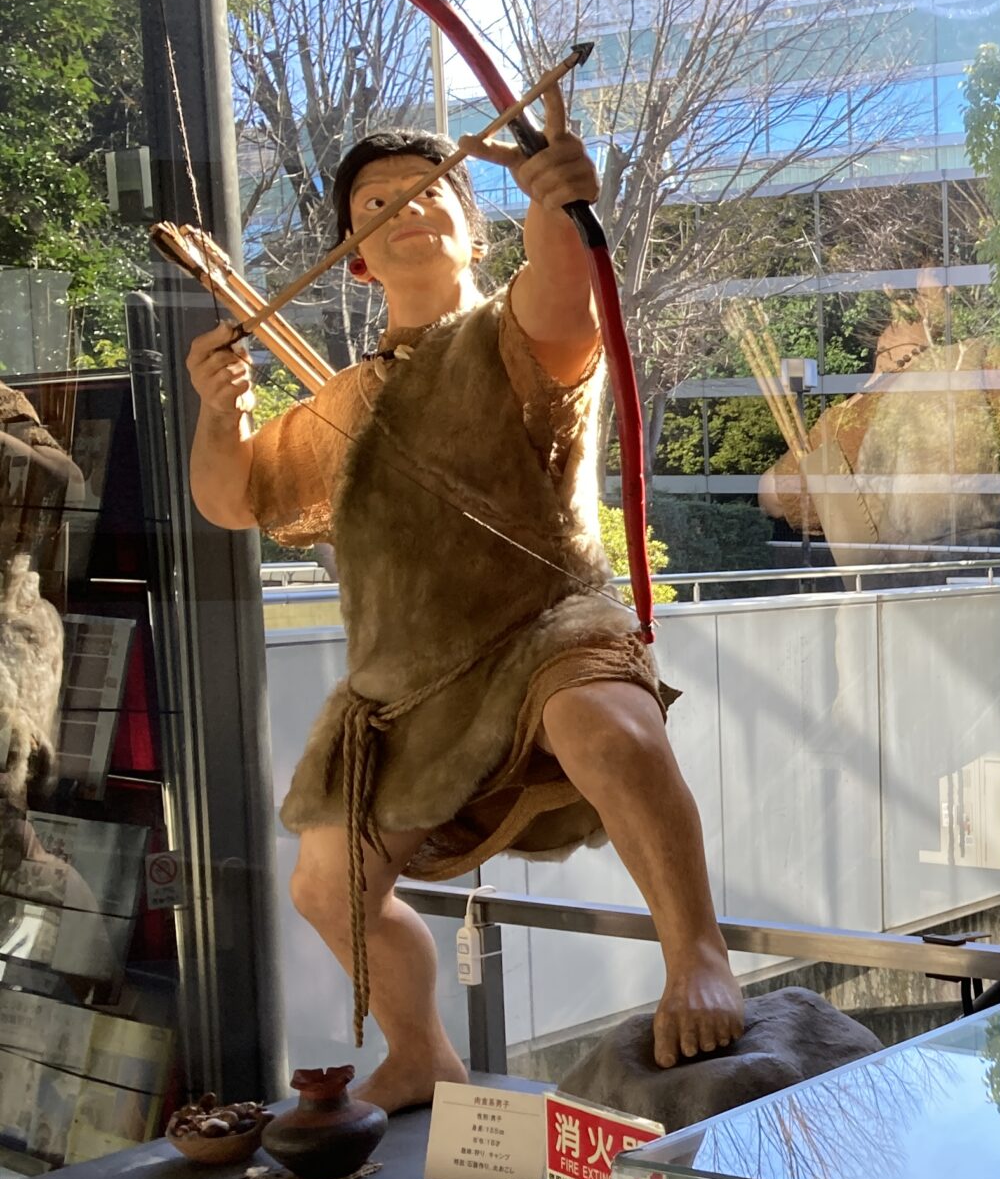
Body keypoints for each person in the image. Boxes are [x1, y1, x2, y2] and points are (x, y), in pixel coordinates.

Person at [185, 94, 744, 1109]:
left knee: (606, 724)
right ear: (355, 259)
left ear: (475, 229)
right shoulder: (345, 404)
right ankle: (420, 1052)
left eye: (430, 192)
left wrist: (558, 198)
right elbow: (234, 500)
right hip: (405, 685)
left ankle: (696, 952)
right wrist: (220, 414)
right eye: (374, 204)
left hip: (548, 628)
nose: (404, 209)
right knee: (326, 888)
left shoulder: (512, 330)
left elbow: (566, 287)